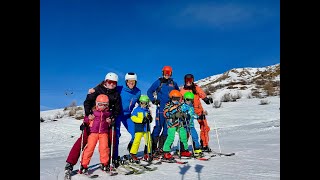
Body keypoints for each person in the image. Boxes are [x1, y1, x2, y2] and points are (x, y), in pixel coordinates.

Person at [64, 72, 121, 175]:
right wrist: (89, 114)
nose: (112, 84)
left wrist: (112, 118)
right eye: (110, 82)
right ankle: (70, 163)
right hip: (93, 118)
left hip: (106, 120)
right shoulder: (97, 89)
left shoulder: (116, 94)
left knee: (112, 138)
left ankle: (109, 161)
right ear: (105, 81)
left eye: (114, 83)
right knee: (84, 138)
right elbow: (87, 102)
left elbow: (117, 109)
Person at [88, 72, 141, 161]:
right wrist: (94, 90)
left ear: (136, 82)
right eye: (129, 81)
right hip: (117, 114)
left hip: (127, 116)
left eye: (133, 81)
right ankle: (114, 157)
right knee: (115, 135)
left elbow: (140, 102)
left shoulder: (138, 92)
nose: (131, 83)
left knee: (136, 133)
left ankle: (132, 152)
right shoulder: (119, 88)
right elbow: (106, 86)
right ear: (126, 82)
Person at [147, 66, 180, 157]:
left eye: (169, 72)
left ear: (171, 73)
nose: (167, 74)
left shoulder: (173, 83)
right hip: (160, 110)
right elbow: (149, 92)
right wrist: (154, 100)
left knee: (167, 130)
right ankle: (152, 148)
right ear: (162, 72)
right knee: (157, 128)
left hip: (170, 111)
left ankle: (161, 148)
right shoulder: (159, 82)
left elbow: (178, 94)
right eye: (165, 72)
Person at [79, 94, 112, 174]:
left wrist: (110, 121)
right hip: (93, 133)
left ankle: (105, 163)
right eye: (100, 104)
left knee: (104, 148)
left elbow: (111, 120)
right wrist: (84, 124)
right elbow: (87, 119)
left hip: (104, 133)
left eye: (105, 105)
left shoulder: (108, 113)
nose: (102, 107)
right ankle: (84, 165)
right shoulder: (93, 112)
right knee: (89, 148)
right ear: (96, 104)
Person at [180, 74, 213, 152]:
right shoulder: (182, 90)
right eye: (187, 80)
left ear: (192, 80)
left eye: (190, 80)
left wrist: (206, 100)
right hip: (187, 111)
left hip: (198, 110)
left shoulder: (196, 87)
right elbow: (179, 100)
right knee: (187, 128)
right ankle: (184, 146)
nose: (188, 82)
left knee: (204, 127)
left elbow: (202, 94)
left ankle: (204, 144)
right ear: (185, 81)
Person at [162, 90, 192, 160]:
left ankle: (184, 150)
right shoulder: (168, 105)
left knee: (184, 136)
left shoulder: (180, 105)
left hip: (179, 123)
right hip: (171, 124)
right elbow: (165, 114)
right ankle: (166, 151)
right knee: (171, 137)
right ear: (171, 98)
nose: (176, 100)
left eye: (177, 99)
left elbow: (182, 112)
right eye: (174, 98)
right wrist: (174, 115)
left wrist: (184, 115)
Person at [179, 92, 203, 157]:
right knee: (184, 137)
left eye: (191, 100)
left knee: (195, 136)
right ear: (184, 99)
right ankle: (183, 150)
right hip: (184, 125)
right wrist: (184, 115)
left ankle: (196, 148)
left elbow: (193, 115)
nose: (189, 102)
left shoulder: (191, 107)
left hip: (191, 125)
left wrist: (199, 117)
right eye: (188, 100)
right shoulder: (182, 106)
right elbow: (180, 114)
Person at [129, 95, 153, 162]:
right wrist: (141, 120)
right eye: (142, 103)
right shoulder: (137, 110)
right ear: (139, 103)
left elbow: (150, 118)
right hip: (139, 128)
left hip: (146, 128)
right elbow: (133, 117)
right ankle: (133, 153)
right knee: (137, 140)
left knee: (148, 140)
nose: (143, 104)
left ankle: (148, 153)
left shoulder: (147, 110)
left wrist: (150, 119)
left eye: (145, 103)